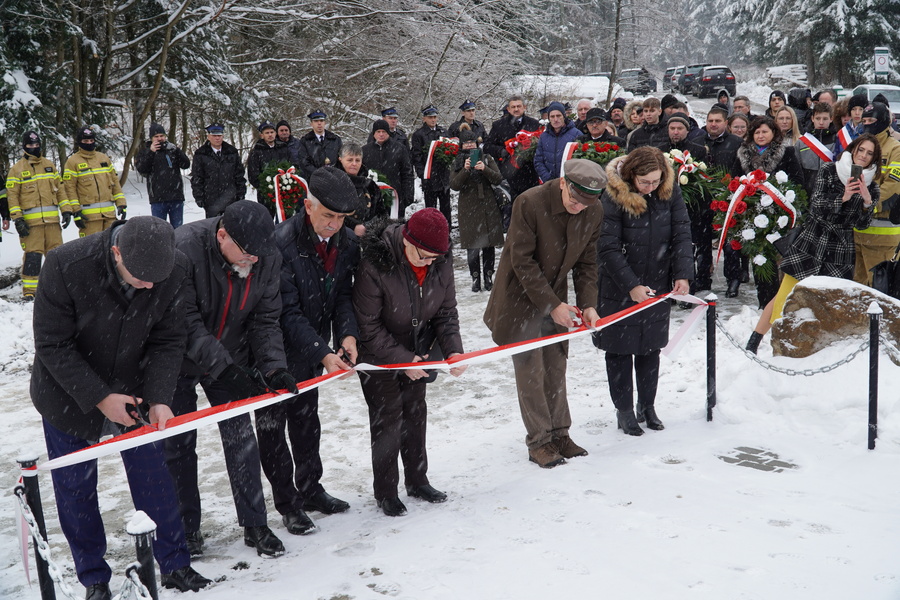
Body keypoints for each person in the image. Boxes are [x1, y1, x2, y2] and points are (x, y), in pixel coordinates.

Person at [31, 216, 211, 600]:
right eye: (141, 278)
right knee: (76, 488)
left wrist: (161, 396)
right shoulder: (65, 265)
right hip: (67, 392)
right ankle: (94, 578)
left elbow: (168, 338)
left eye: (155, 281)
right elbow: (52, 346)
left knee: (153, 478)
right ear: (116, 253)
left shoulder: (173, 267)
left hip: (135, 389)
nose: (149, 286)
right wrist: (100, 397)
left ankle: (175, 564)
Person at [164, 200, 292, 558]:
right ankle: (186, 529)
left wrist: (272, 367)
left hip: (229, 353)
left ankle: (255, 523)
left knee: (240, 438)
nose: (253, 262)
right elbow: (184, 322)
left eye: (258, 256)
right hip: (175, 360)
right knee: (178, 446)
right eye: (247, 254)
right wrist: (226, 368)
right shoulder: (184, 248)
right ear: (222, 235)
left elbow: (266, 319)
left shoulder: (264, 255)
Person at [483, 159, 606, 468]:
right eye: (575, 200)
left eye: (587, 203)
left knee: (555, 365)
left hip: (556, 296)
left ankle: (560, 433)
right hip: (518, 298)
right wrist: (552, 305)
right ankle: (539, 440)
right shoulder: (529, 202)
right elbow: (522, 261)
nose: (579, 208)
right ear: (563, 183)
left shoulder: (593, 210)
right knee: (531, 371)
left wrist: (588, 303)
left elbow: (587, 262)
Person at [259, 166, 360, 534]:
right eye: (328, 215)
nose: (334, 225)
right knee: (273, 431)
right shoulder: (281, 244)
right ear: (307, 206)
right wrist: (322, 351)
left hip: (313, 350)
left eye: (342, 218)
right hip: (273, 353)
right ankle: (288, 503)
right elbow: (285, 312)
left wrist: (347, 336)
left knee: (307, 425)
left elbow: (344, 295)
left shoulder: (346, 242)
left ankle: (311, 488)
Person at [353, 208, 466, 516]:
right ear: (407, 240)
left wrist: (453, 350)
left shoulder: (439, 263)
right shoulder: (375, 264)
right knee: (388, 418)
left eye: (435, 258)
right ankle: (386, 491)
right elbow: (368, 326)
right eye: (424, 256)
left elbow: (446, 313)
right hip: (379, 355)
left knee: (415, 413)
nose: (429, 263)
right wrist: (402, 359)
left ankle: (417, 480)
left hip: (418, 348)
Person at [746, 135, 880, 353]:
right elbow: (816, 205)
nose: (863, 156)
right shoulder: (829, 170)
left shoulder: (872, 186)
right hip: (812, 242)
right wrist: (843, 197)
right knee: (785, 295)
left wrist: (866, 201)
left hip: (840, 251)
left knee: (826, 304)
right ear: (853, 150)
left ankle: (812, 350)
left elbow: (862, 225)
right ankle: (755, 342)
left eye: (869, 153)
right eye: (861, 150)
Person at [595, 147, 693, 435]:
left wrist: (683, 274)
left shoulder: (668, 189)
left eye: (655, 181)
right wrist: (631, 285)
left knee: (650, 348)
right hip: (619, 285)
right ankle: (624, 409)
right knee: (619, 349)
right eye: (644, 183)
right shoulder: (613, 195)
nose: (650, 188)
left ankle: (647, 406)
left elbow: (682, 232)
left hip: (658, 282)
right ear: (630, 176)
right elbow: (608, 246)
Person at [731, 116, 805, 305]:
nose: (761, 135)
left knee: (778, 258)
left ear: (774, 133)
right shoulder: (742, 153)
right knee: (760, 258)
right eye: (757, 132)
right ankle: (764, 301)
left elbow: (797, 182)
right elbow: (734, 181)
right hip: (751, 215)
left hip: (779, 215)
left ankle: (780, 300)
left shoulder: (785, 153)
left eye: (765, 131)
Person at [6, 131, 71, 298]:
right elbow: (12, 197)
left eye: (36, 145)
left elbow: (60, 191)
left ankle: (57, 288)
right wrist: (17, 219)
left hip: (52, 222)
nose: (34, 148)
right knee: (33, 257)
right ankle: (30, 291)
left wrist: (66, 210)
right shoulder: (17, 170)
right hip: (31, 224)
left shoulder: (49, 165)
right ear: (24, 146)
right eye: (30, 145)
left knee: (56, 256)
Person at [450, 123, 504, 292]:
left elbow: (498, 178)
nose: (469, 146)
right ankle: (475, 278)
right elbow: (454, 185)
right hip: (468, 207)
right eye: (466, 143)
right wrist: (465, 170)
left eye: (472, 142)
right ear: (461, 144)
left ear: (477, 143)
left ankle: (488, 276)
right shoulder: (457, 161)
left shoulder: (486, 157)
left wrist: (484, 168)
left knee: (488, 244)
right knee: (472, 245)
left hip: (488, 205)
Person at [853, 102, 900, 284]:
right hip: (858, 232)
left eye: (871, 120)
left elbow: (894, 186)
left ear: (882, 121)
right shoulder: (861, 147)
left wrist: (869, 205)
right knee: (858, 290)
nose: (867, 124)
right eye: (863, 120)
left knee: (878, 291)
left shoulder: (895, 149)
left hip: (883, 234)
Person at [703, 107, 745, 296]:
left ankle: (733, 278)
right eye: (710, 120)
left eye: (717, 121)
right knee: (702, 242)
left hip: (728, 200)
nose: (713, 124)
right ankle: (702, 278)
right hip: (703, 200)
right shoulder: (697, 142)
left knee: (730, 245)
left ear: (726, 124)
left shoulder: (737, 143)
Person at [483, 95, 542, 227]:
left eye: (519, 106)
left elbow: (541, 146)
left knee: (530, 211)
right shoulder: (498, 125)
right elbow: (487, 146)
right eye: (513, 107)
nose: (516, 109)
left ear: (524, 107)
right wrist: (502, 151)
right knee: (510, 213)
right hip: (508, 175)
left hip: (529, 174)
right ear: (508, 109)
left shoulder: (534, 124)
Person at [63, 126, 126, 237]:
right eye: (85, 141)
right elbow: (69, 189)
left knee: (112, 249)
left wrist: (121, 204)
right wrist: (76, 212)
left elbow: (115, 183)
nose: (89, 143)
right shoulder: (72, 162)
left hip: (109, 216)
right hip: (89, 218)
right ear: (79, 142)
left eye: (91, 140)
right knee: (92, 252)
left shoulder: (104, 158)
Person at [135, 123, 191, 228]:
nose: (159, 139)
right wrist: (151, 152)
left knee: (178, 230)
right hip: (158, 198)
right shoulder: (145, 152)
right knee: (159, 230)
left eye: (162, 136)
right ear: (151, 138)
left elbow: (186, 165)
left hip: (176, 197)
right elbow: (142, 169)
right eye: (156, 137)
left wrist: (177, 150)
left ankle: (177, 245)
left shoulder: (172, 150)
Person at [190, 122, 246, 218]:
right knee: (213, 228)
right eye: (214, 135)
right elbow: (197, 177)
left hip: (231, 198)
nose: (217, 138)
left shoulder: (231, 152)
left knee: (231, 227)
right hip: (211, 200)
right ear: (208, 136)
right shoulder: (201, 154)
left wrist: (241, 193)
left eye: (219, 135)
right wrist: (199, 196)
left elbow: (239, 175)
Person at [363, 119, 415, 217]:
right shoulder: (365, 151)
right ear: (374, 133)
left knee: (394, 228)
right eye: (378, 132)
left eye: (384, 132)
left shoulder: (399, 149)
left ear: (388, 133)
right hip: (373, 198)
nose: (381, 134)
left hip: (395, 197)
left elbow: (407, 173)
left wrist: (408, 196)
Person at [411, 105, 453, 223]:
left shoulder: (443, 132)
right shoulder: (419, 135)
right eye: (430, 117)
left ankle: (447, 231)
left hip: (443, 176)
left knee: (446, 208)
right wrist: (422, 174)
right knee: (431, 210)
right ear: (424, 118)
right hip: (429, 177)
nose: (433, 120)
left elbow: (451, 151)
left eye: (435, 117)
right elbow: (417, 156)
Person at [338, 143, 389, 236]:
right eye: (350, 160)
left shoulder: (370, 185)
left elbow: (381, 213)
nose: (354, 164)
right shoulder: (333, 182)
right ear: (340, 159)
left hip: (368, 235)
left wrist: (372, 228)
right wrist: (352, 226)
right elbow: (328, 212)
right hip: (339, 234)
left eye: (357, 160)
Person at [247, 121, 292, 216]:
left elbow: (290, 166)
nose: (270, 135)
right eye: (267, 133)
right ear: (261, 135)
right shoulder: (256, 152)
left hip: (284, 191)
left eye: (272, 132)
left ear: (275, 133)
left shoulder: (283, 148)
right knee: (266, 219)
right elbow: (253, 175)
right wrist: (266, 187)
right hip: (266, 194)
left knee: (285, 219)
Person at [796, 102, 836, 196]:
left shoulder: (837, 141)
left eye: (825, 119)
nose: (821, 122)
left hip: (831, 192)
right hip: (807, 192)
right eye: (818, 118)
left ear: (831, 119)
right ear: (812, 118)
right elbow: (797, 169)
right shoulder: (801, 142)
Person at [534, 101, 580, 182]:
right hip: (549, 183)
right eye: (552, 116)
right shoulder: (544, 136)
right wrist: (547, 177)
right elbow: (538, 160)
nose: (555, 119)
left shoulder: (576, 134)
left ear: (564, 116)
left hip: (569, 182)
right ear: (549, 118)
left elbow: (580, 161)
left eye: (558, 116)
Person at [298, 110, 343, 180]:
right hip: (313, 179)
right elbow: (304, 163)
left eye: (321, 121)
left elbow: (341, 159)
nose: (319, 123)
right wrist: (319, 174)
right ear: (311, 124)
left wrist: (333, 174)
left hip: (334, 178)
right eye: (316, 121)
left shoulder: (335, 140)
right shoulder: (305, 141)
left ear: (325, 123)